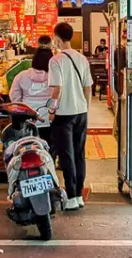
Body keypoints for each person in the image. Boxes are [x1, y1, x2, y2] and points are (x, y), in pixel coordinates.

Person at [48, 22, 93, 211]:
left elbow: (56, 89)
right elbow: (88, 87)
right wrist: (86, 109)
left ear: (57, 38)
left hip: (64, 114)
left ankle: (73, 196)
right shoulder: (82, 59)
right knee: (79, 154)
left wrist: (51, 111)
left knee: (66, 156)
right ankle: (79, 195)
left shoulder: (56, 60)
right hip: (81, 112)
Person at [9, 46, 54, 144]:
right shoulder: (55, 77)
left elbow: (14, 97)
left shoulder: (21, 75)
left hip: (26, 121)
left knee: (26, 149)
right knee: (49, 150)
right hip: (49, 121)